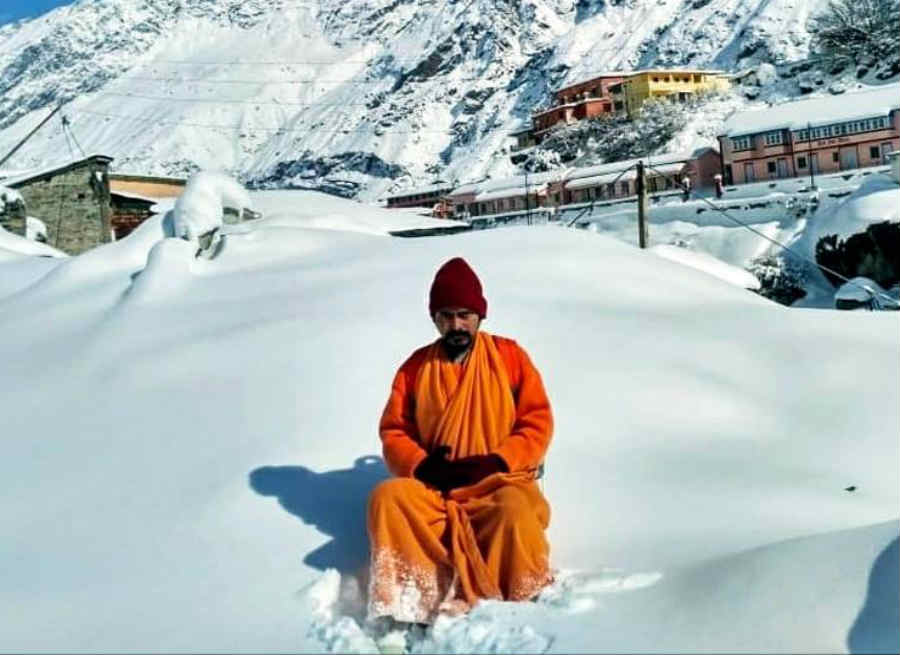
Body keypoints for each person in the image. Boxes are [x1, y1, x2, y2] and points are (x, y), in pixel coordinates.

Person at [366, 257, 554, 625]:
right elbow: (394, 430)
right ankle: (415, 595)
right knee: (387, 499)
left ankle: (519, 599)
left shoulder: (509, 357)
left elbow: (538, 421)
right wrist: (422, 466)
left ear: (480, 316)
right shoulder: (415, 367)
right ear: (434, 318)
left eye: (465, 314)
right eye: (447, 315)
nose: (456, 325)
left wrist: (497, 461)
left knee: (514, 511)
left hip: (497, 483)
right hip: (436, 489)